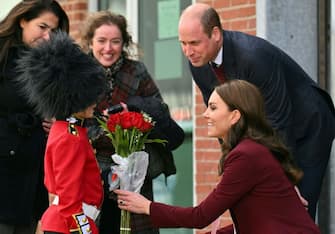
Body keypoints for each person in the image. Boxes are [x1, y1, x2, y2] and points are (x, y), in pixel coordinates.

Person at [178, 3, 335, 220]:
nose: (188, 51)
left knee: (296, 206)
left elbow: (279, 120)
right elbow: (221, 120)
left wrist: (287, 179)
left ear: (215, 34)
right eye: (183, 44)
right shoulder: (198, 62)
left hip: (307, 124)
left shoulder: (254, 56)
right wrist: (232, 173)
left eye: (194, 42)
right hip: (268, 128)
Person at [115, 80, 321, 234]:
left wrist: (147, 206)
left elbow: (201, 216)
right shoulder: (251, 150)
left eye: (213, 107)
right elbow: (256, 217)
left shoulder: (246, 156)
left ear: (235, 116)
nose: (205, 114)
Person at [80, 11, 185, 234]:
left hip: (135, 172)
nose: (108, 48)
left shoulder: (136, 71)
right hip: (92, 173)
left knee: (137, 228)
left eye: (115, 41)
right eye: (101, 41)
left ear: (124, 43)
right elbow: (70, 120)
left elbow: (159, 109)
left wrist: (134, 110)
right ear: (90, 41)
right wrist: (107, 130)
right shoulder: (79, 74)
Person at [15, 31, 107, 234]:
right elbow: (69, 197)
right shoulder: (70, 137)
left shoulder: (65, 129)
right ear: (76, 97)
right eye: (91, 97)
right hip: (69, 226)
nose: (95, 102)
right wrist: (83, 231)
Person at [0, 1, 69, 233]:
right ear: (22, 20)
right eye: (42, 27)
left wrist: (55, 122)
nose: (47, 36)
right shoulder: (2, 54)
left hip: (33, 178)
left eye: (53, 31)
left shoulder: (50, 63)